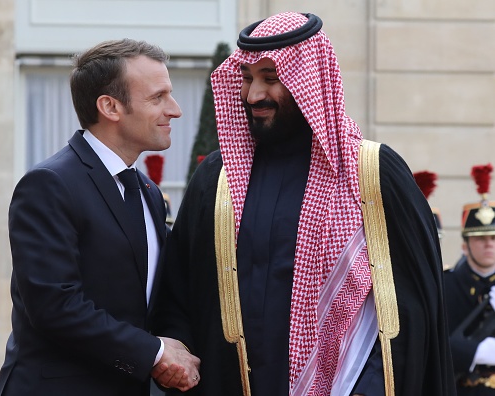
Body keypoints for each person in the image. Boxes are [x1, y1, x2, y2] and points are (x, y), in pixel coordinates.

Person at [152, 12, 455, 395]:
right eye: (246, 79)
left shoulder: (372, 173)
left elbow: (412, 307)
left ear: (308, 80)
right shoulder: (217, 179)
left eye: (271, 79)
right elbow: (178, 295)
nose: (253, 95)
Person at [0, 39, 200, 396]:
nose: (175, 109)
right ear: (110, 106)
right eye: (158, 97)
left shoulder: (149, 194)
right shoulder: (50, 184)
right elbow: (55, 306)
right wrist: (154, 353)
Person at [444, 163, 495, 394]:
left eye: (494, 238)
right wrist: (474, 353)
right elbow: (434, 343)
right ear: (465, 246)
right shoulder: (446, 285)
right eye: (481, 238)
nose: (489, 244)